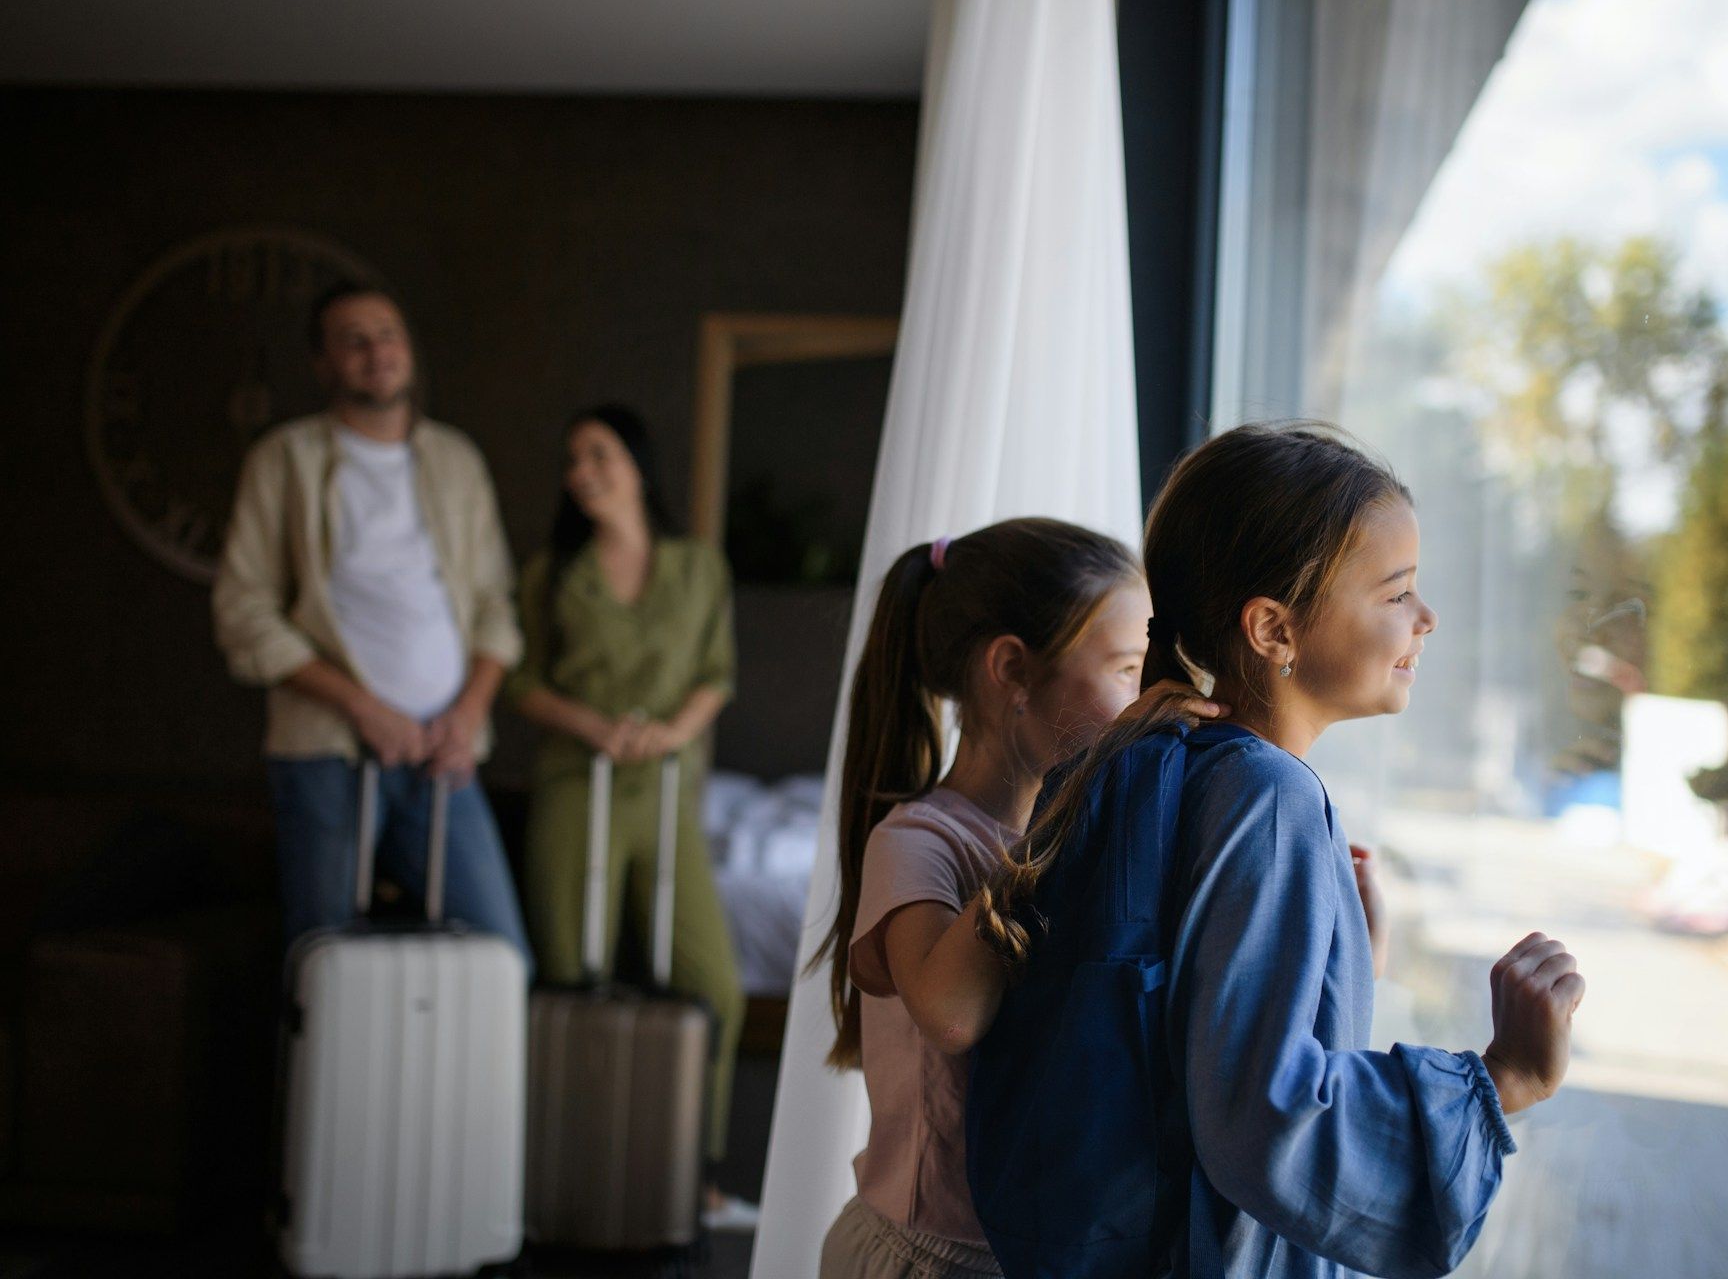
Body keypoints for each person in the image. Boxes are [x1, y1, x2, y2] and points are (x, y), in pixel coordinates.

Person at [970, 422, 1587, 1279]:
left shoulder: (1132, 761)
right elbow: (1262, 1121)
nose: (1428, 618)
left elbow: (1181, 1046)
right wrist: (1499, 1082)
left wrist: (1346, 962)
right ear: (1273, 630)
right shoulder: (1270, 798)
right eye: (1397, 592)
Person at [812, 518, 1164, 1279]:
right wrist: (1078, 807)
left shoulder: (1082, 845)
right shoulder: (917, 842)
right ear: (1012, 669)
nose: (1146, 701)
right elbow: (950, 1012)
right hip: (925, 1258)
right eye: (1128, 669)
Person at [212, 281, 529, 967]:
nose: (376, 351)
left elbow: (495, 606)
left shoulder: (457, 459)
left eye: (388, 334)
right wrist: (364, 708)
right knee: (322, 963)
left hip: (447, 752)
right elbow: (243, 613)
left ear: (409, 351)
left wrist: (469, 714)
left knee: (501, 957)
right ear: (323, 364)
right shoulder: (284, 461)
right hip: (328, 751)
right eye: (353, 339)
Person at [504, 404, 751, 1228]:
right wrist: (599, 728)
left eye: (598, 454)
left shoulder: (696, 567)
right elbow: (522, 681)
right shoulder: (552, 573)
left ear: (637, 465)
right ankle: (565, 1172)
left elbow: (716, 670)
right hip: (580, 784)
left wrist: (671, 732)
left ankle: (694, 1174)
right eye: (571, 459)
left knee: (712, 981)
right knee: (573, 977)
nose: (581, 472)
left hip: (668, 790)